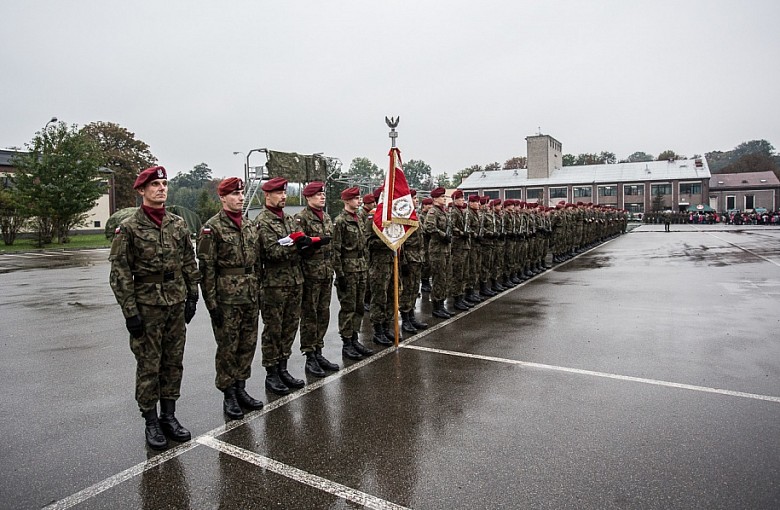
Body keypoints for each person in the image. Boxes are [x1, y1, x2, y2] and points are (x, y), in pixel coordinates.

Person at [109, 166, 200, 450]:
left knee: (173, 361)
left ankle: (169, 416)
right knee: (149, 365)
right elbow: (120, 273)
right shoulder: (129, 228)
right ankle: (150, 420)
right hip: (147, 306)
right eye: (155, 185)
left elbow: (188, 261)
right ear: (141, 191)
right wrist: (130, 312)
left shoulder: (177, 224)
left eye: (164, 184)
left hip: (175, 301)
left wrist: (192, 296)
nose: (162, 188)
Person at [197, 177, 264, 420]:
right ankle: (228, 394)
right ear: (223, 198)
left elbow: (257, 262)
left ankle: (241, 388)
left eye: (241, 193)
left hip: (249, 295)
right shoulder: (211, 228)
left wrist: (259, 291)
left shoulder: (248, 225)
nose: (240, 198)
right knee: (228, 348)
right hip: (226, 299)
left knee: (247, 344)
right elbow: (207, 270)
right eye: (234, 194)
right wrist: (211, 304)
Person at [256, 177, 320, 395]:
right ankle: (271, 373)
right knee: (273, 329)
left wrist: (309, 245)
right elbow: (271, 252)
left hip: (295, 280)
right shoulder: (263, 222)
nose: (283, 196)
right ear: (267, 195)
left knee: (290, 327)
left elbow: (298, 244)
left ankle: (283, 368)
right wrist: (297, 246)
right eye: (278, 193)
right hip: (275, 284)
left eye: (284, 193)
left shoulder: (290, 219)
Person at [294, 181, 339, 377]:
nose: (322, 197)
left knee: (323, 313)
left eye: (323, 194)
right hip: (310, 273)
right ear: (308, 197)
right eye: (318, 194)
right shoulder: (301, 218)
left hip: (326, 272)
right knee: (310, 315)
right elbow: (299, 247)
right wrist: (315, 243)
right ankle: (310, 355)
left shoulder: (327, 217)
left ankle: (318, 350)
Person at [332, 187, 374, 359]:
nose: (359, 201)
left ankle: (355, 338)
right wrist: (340, 274)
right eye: (355, 198)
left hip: (361, 267)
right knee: (348, 307)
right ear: (346, 201)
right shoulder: (341, 221)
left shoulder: (359, 220)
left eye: (359, 198)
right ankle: (347, 342)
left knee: (358, 306)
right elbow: (336, 250)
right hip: (348, 270)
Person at [399, 189, 429, 333]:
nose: (416, 200)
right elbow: (401, 241)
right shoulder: (403, 217)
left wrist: (422, 256)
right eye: (414, 198)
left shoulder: (414, 216)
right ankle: (405, 319)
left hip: (417, 257)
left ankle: (411, 317)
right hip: (409, 258)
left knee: (413, 289)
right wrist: (403, 261)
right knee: (407, 289)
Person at [425, 187, 453, 318]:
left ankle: (441, 304)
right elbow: (429, 227)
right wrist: (443, 235)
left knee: (444, 278)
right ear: (435, 199)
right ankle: (436, 307)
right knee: (438, 278)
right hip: (437, 250)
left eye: (445, 197)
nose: (444, 199)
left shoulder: (443, 212)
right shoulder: (433, 212)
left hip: (445, 249)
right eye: (442, 197)